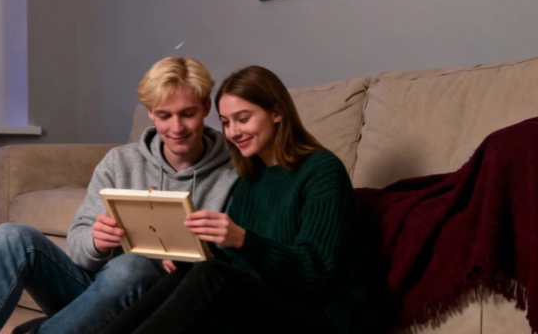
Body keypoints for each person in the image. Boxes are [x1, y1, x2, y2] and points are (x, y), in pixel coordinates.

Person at [0, 57, 240, 334]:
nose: (176, 128)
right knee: (11, 236)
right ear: (150, 112)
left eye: (187, 114)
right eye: (164, 115)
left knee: (132, 266)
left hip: (160, 305)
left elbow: (232, 263)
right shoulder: (120, 162)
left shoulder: (235, 170)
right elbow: (78, 247)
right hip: (98, 290)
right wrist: (96, 243)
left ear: (205, 107)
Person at [94, 65, 363, 334]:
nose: (233, 132)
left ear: (277, 113)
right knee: (190, 272)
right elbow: (239, 267)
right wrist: (188, 261)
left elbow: (315, 270)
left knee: (211, 274)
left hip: (319, 315)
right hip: (263, 305)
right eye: (225, 122)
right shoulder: (249, 178)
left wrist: (242, 239)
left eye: (243, 119)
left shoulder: (321, 170)